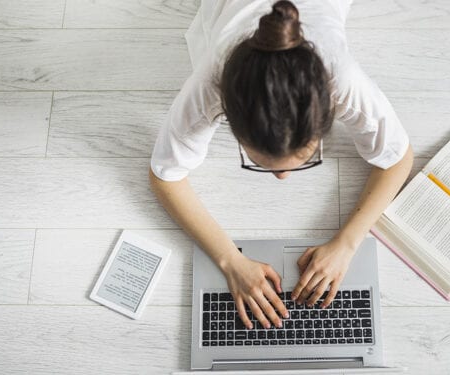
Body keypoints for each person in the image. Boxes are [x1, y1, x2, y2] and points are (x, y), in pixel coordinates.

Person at [149, 0, 413, 331]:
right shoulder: (209, 85)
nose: (284, 177)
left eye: (299, 162)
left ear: (330, 112)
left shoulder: (341, 80)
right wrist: (230, 261)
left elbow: (400, 158)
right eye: (266, 165)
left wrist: (347, 244)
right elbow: (163, 176)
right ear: (226, 116)